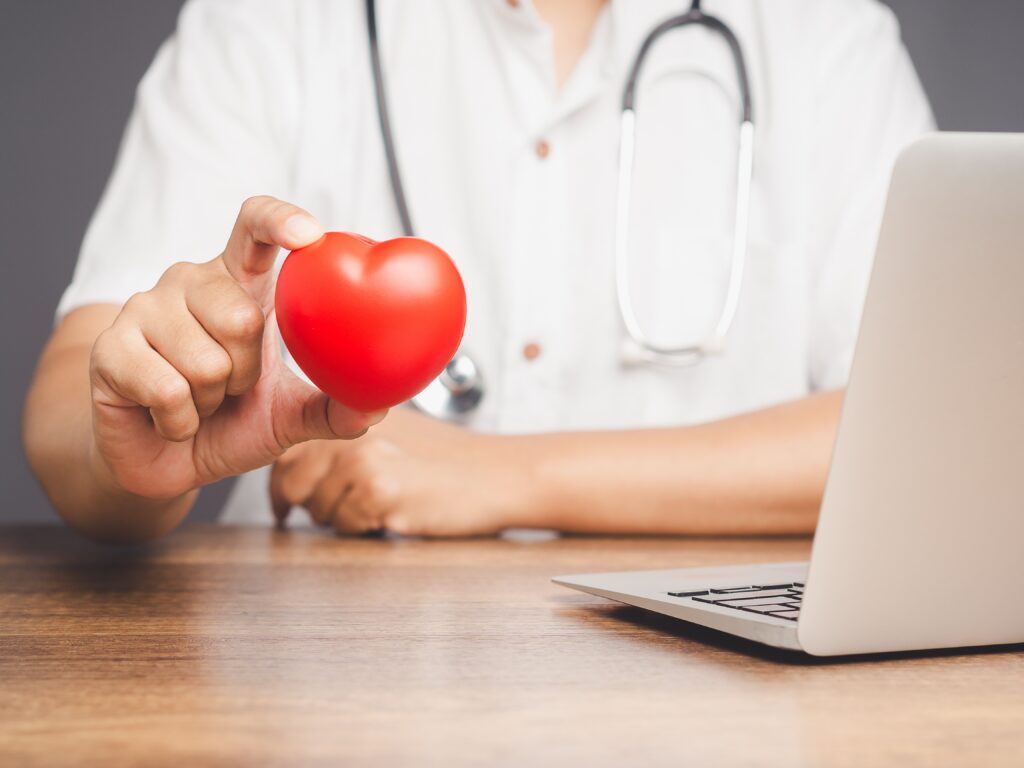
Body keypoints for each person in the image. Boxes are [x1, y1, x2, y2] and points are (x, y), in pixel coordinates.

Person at [23, 0, 933, 543]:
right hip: (313, 695)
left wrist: (504, 475)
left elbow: (936, 433)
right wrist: (136, 447)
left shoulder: (825, 34)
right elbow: (77, 394)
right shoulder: (277, 22)